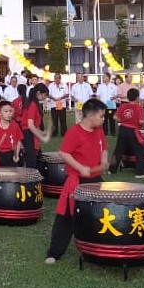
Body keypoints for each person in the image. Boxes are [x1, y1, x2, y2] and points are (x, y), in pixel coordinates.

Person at [44, 99, 108, 264]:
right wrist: (81, 167)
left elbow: (104, 147)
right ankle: (54, 252)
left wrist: (104, 160)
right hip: (76, 180)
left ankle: (99, 247)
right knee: (66, 216)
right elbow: (64, 153)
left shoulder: (99, 129)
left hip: (94, 179)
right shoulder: (74, 132)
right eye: (101, 116)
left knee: (102, 212)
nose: (103, 119)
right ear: (90, 116)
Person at [113, 88, 144, 178]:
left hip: (122, 129)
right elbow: (141, 121)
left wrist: (124, 121)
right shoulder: (138, 107)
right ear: (137, 97)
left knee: (118, 151)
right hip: (133, 131)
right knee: (140, 151)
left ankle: (111, 170)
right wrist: (142, 123)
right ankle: (139, 173)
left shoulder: (123, 106)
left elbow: (115, 117)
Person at [21, 83, 53, 169]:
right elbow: (30, 125)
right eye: (45, 95)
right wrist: (42, 137)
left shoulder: (34, 104)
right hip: (28, 134)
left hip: (30, 133)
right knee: (31, 161)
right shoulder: (32, 105)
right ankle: (30, 181)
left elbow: (34, 125)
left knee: (36, 157)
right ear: (38, 93)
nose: (45, 97)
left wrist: (42, 132)